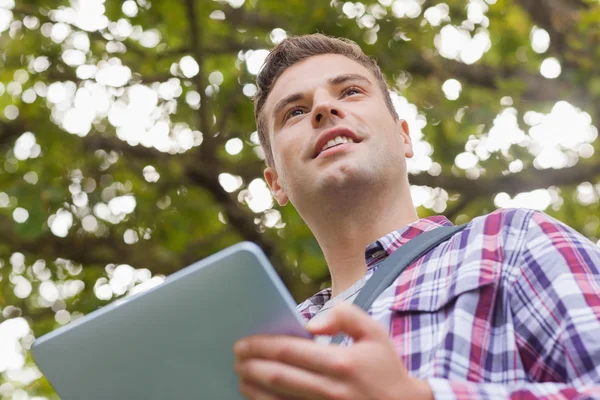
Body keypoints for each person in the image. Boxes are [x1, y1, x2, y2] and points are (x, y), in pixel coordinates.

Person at [233, 33, 600, 400]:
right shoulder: (267, 343)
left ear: (404, 136)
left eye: (350, 92)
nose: (323, 109)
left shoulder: (514, 241)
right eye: (294, 112)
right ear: (275, 182)